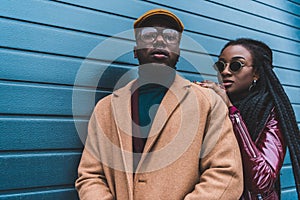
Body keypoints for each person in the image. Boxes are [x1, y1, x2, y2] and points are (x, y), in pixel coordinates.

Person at [75, 9, 243, 200]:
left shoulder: (208, 102)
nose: (161, 41)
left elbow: (226, 175)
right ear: (136, 51)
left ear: (178, 52)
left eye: (170, 36)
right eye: (149, 35)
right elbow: (90, 176)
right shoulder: (106, 108)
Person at [196, 38, 300, 199]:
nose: (225, 72)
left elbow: (262, 181)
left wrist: (232, 111)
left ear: (256, 73)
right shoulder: (216, 103)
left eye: (236, 65)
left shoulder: (270, 111)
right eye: (221, 65)